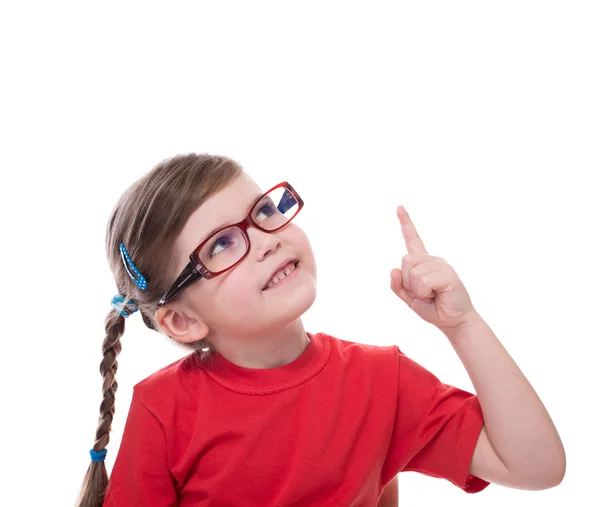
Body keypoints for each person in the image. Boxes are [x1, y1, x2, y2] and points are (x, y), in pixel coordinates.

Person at [76, 153, 565, 507]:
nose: (267, 240)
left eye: (264, 212)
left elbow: (536, 466)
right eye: (222, 244)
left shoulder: (383, 380)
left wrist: (463, 325)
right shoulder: (164, 408)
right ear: (182, 320)